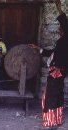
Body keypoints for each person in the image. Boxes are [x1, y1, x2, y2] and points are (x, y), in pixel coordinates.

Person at [30, 0, 68, 129]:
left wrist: (59, 8)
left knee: (50, 95)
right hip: (60, 71)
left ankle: (50, 123)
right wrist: (38, 48)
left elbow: (65, 22)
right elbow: (52, 52)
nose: (58, 29)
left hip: (57, 71)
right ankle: (56, 120)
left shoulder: (66, 39)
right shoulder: (62, 42)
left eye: (60, 28)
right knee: (57, 94)